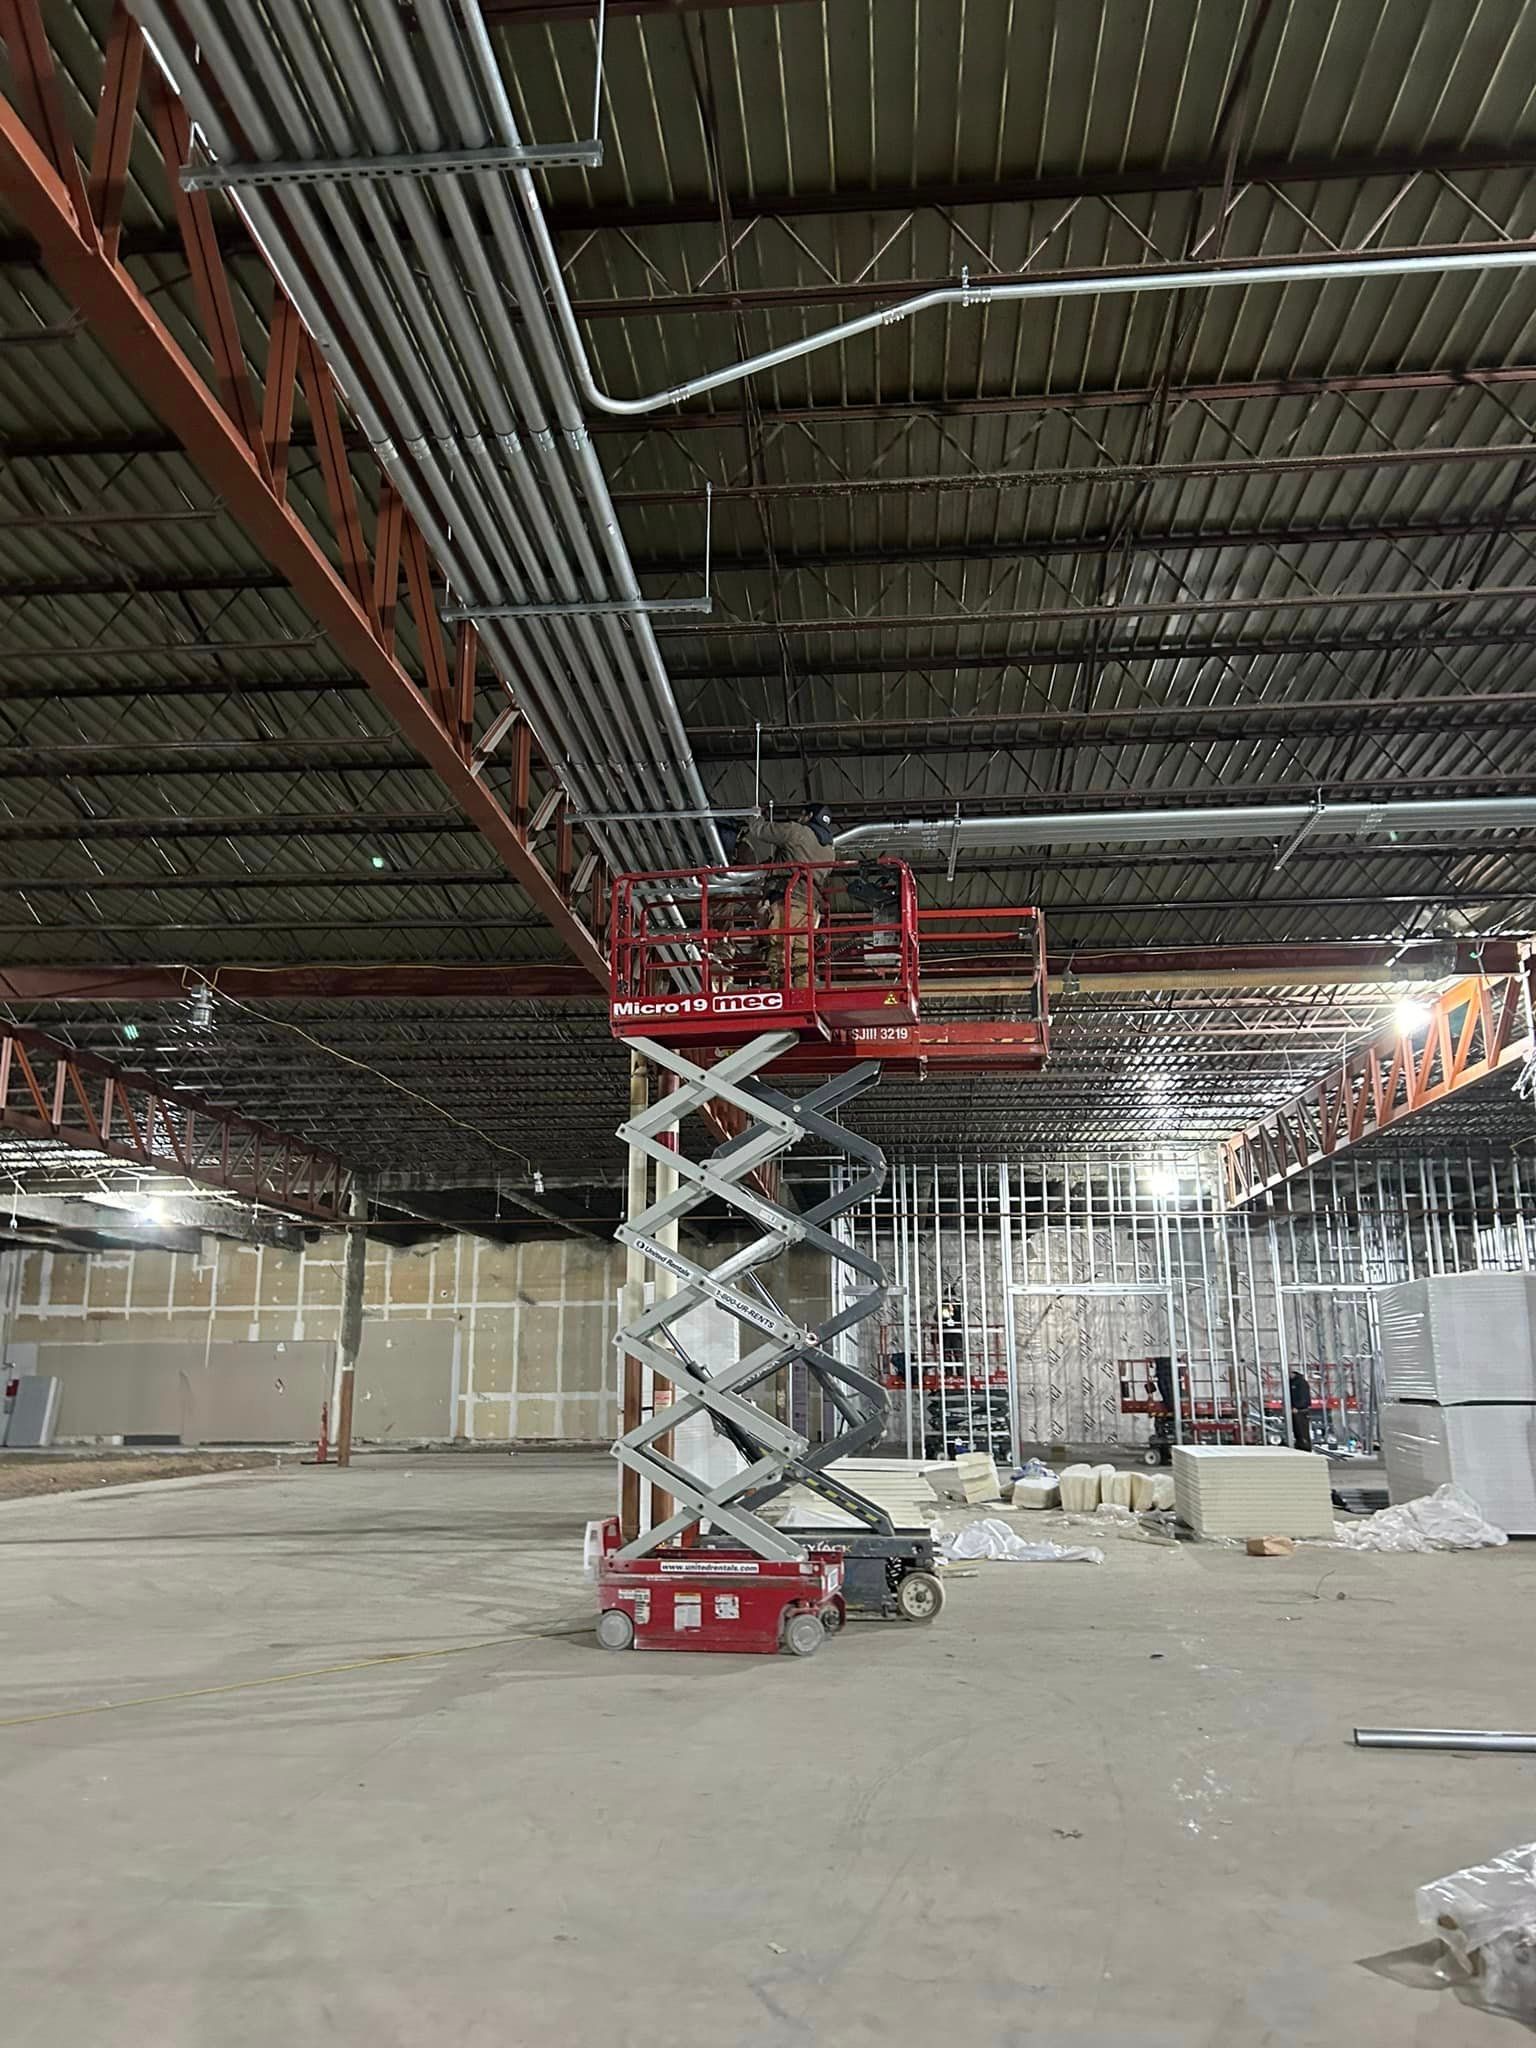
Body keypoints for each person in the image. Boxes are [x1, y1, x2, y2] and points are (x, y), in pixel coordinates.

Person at [737, 803, 835, 986]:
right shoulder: (829, 850)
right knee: (802, 956)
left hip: (788, 903)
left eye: (802, 815)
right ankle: (802, 997)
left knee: (781, 952)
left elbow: (760, 830)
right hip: (810, 907)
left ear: (809, 816)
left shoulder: (797, 832)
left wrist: (754, 815)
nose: (799, 818)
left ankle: (783, 996)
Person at [1288, 1369, 1314, 1452]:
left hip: (1301, 1410)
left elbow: (1303, 1396)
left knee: (1302, 1429)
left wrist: (1298, 1407)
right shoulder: (1291, 1383)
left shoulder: (1301, 1383)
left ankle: (1305, 1447)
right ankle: (1300, 1445)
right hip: (1295, 1409)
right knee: (1297, 1430)